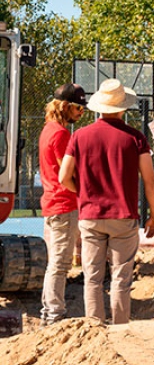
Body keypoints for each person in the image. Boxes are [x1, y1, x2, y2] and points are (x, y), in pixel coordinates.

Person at [59, 79, 154, 324]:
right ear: (123, 107)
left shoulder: (80, 136)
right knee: (121, 278)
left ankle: (94, 327)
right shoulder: (136, 138)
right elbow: (150, 181)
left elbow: (63, 177)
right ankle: (120, 328)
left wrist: (83, 193)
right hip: (123, 217)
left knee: (92, 278)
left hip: (91, 216)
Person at [39, 83, 87, 326]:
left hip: (54, 203)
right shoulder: (60, 134)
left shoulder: (48, 129)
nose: (82, 113)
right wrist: (85, 193)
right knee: (59, 264)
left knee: (56, 263)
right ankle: (54, 314)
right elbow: (66, 176)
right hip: (63, 204)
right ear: (66, 106)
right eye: (79, 108)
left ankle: (50, 312)